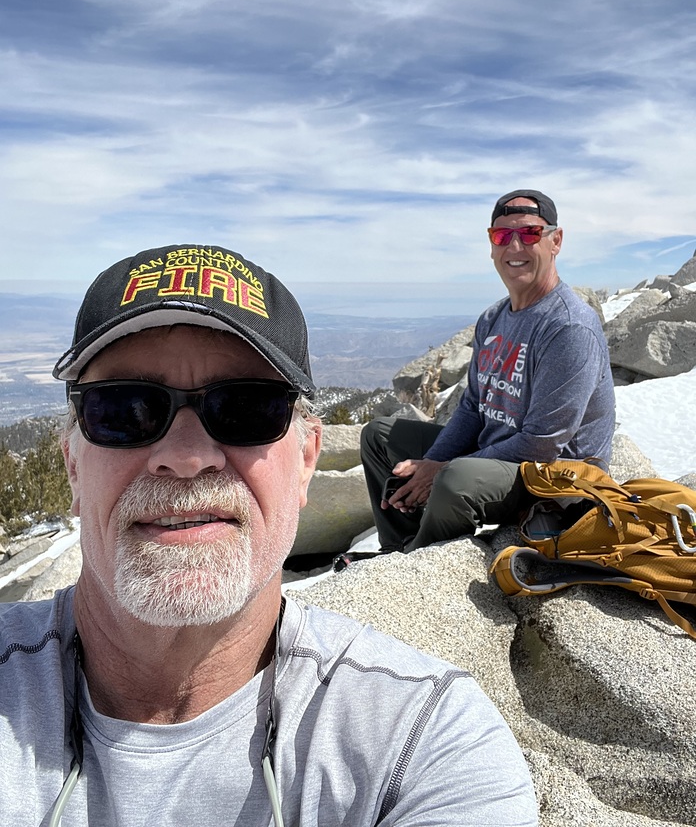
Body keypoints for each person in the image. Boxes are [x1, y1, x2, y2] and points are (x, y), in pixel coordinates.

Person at [0, 243, 537, 826]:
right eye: (126, 409)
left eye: (245, 409)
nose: (185, 457)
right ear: (73, 466)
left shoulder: (422, 742)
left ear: (307, 459)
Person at [360, 190, 615, 554]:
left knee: (454, 479)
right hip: (497, 455)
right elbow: (473, 406)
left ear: (555, 240)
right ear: (491, 244)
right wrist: (432, 461)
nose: (514, 246)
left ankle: (415, 560)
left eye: (529, 234)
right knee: (380, 435)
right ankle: (397, 547)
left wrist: (442, 468)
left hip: (554, 480)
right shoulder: (494, 318)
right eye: (502, 235)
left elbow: (543, 443)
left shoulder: (569, 327)